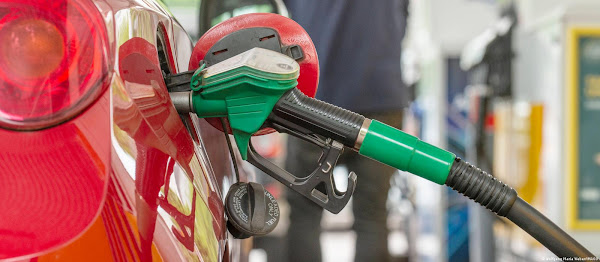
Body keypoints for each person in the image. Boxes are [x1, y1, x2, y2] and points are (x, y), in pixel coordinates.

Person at [281, 1, 410, 261]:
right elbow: (403, 18)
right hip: (380, 96)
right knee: (373, 214)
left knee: (305, 210)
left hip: (313, 100)